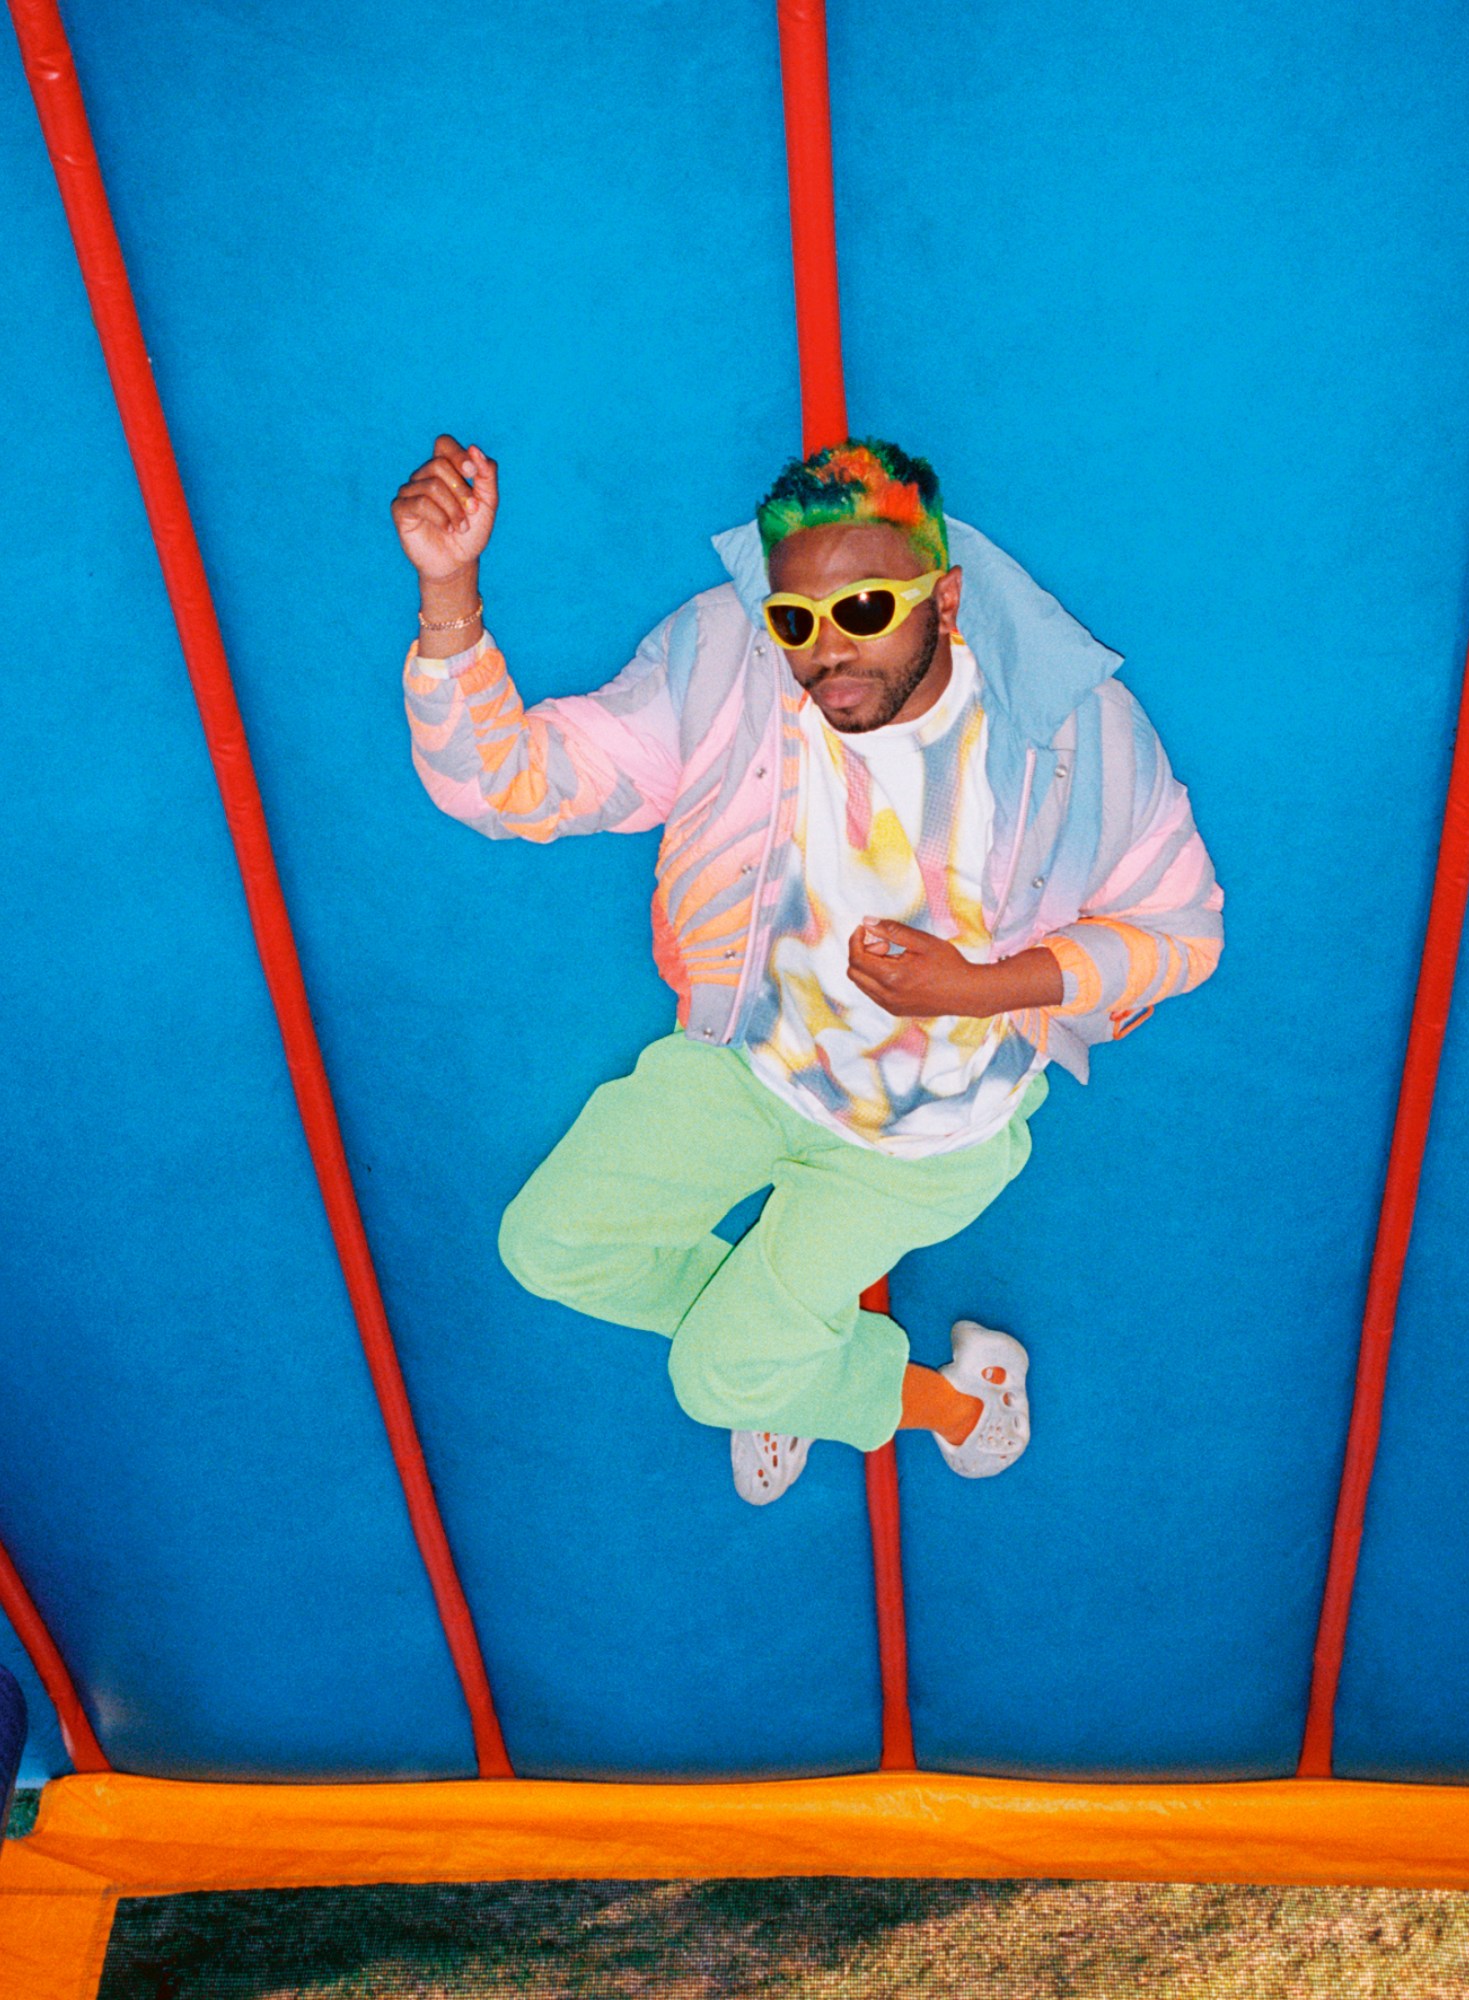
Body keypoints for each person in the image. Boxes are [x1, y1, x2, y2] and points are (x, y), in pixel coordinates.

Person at [392, 435, 1222, 1504]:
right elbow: (515, 784)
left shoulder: (1068, 729)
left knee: (714, 1375)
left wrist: (977, 988)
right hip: (751, 1059)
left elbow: (1184, 928)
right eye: (796, 621)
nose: (827, 651)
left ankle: (957, 1401)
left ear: (947, 597)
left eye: (867, 610)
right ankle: (796, 1367)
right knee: (550, 1243)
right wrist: (448, 593)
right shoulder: (723, 663)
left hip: (928, 1134)